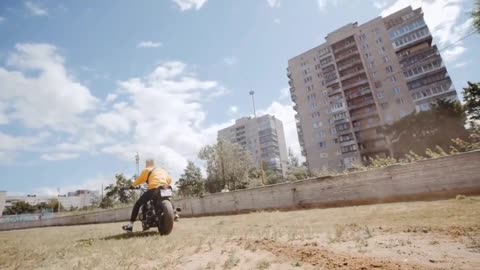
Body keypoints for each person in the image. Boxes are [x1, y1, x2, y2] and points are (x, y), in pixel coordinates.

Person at [122, 158, 176, 232]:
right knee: (168, 198)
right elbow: (169, 180)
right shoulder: (162, 170)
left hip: (154, 189)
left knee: (137, 204)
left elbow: (139, 180)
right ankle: (174, 212)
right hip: (166, 187)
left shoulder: (147, 170)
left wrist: (132, 186)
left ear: (147, 164)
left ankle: (130, 226)